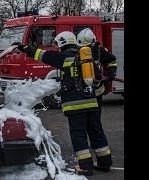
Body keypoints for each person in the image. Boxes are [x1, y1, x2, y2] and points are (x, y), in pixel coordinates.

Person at [14, 31, 112, 176]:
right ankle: (104, 163)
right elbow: (97, 79)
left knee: (78, 134)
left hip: (75, 105)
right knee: (96, 131)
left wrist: (23, 47)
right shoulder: (86, 57)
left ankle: (85, 166)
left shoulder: (63, 57)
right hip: (92, 103)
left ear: (62, 44)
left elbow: (41, 55)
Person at [76, 28, 117, 108]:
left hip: (96, 92)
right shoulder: (75, 53)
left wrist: (111, 73)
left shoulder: (99, 52)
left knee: (94, 117)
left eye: (87, 46)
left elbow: (112, 61)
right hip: (80, 91)